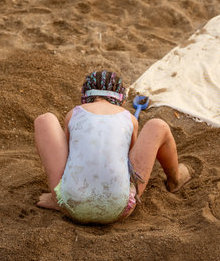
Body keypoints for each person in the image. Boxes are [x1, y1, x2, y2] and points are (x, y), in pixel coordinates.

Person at [34, 70, 191, 224]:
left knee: (44, 120)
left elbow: (69, 154)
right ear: (121, 99)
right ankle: (175, 180)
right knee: (158, 126)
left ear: (85, 96)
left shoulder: (74, 114)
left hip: (70, 205)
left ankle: (56, 197)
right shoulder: (130, 118)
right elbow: (129, 160)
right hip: (119, 208)